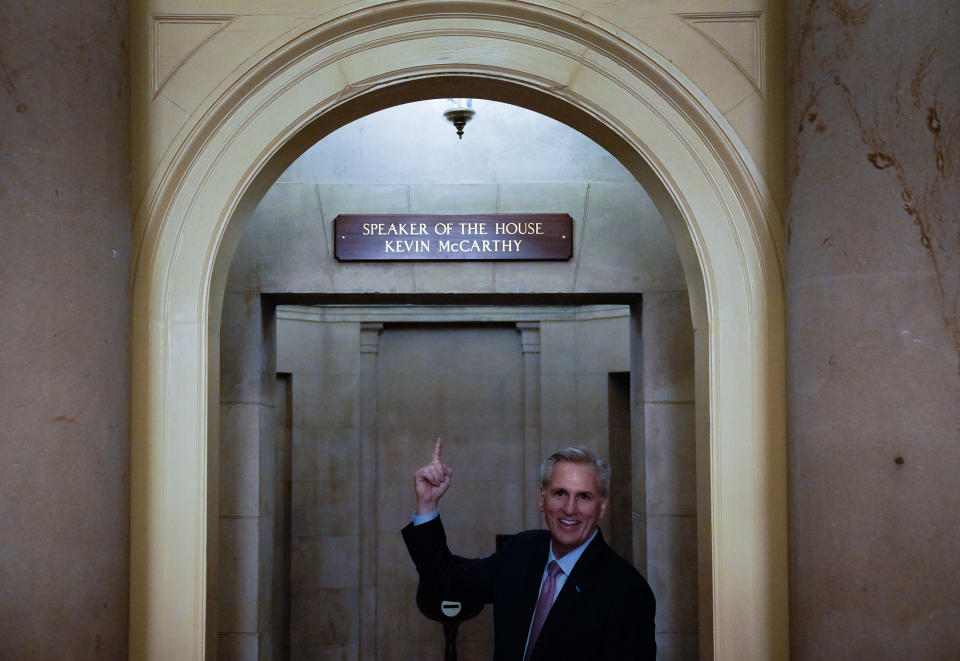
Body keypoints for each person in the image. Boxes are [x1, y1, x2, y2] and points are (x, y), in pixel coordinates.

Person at [402, 438, 657, 660]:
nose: (570, 509)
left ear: (602, 506)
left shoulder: (627, 592)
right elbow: (447, 588)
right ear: (541, 498)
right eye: (559, 493)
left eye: (584, 497)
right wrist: (427, 505)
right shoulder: (522, 551)